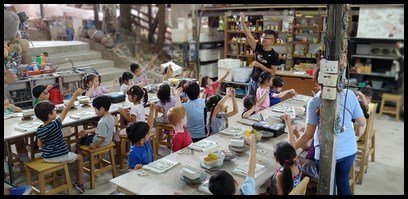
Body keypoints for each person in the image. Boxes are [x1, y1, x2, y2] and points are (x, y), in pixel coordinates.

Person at [287, 65, 366, 195]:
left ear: (318, 80)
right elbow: (362, 122)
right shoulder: (349, 95)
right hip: (348, 151)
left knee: (327, 187)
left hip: (325, 154)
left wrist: (290, 149)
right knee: (343, 181)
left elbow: (308, 135)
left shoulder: (314, 101)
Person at [34, 88, 85, 193]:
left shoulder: (39, 129)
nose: (55, 111)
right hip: (61, 156)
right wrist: (75, 95)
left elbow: (39, 145)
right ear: (49, 115)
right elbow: (66, 109)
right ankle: (80, 183)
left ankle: (58, 174)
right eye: (54, 111)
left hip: (47, 157)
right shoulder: (55, 124)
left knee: (58, 157)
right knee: (79, 158)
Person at [240, 12, 280, 96]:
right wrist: (242, 22)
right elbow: (249, 35)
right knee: (249, 102)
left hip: (264, 84)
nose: (263, 39)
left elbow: (273, 72)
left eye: (266, 38)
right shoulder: (258, 47)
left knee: (261, 105)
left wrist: (259, 65)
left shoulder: (274, 54)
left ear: (272, 41)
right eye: (262, 37)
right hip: (253, 80)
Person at [126, 103, 156, 170]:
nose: (149, 133)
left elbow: (149, 125)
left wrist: (151, 110)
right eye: (148, 133)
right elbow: (130, 170)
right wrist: (134, 169)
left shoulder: (142, 140)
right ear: (142, 140)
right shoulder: (133, 154)